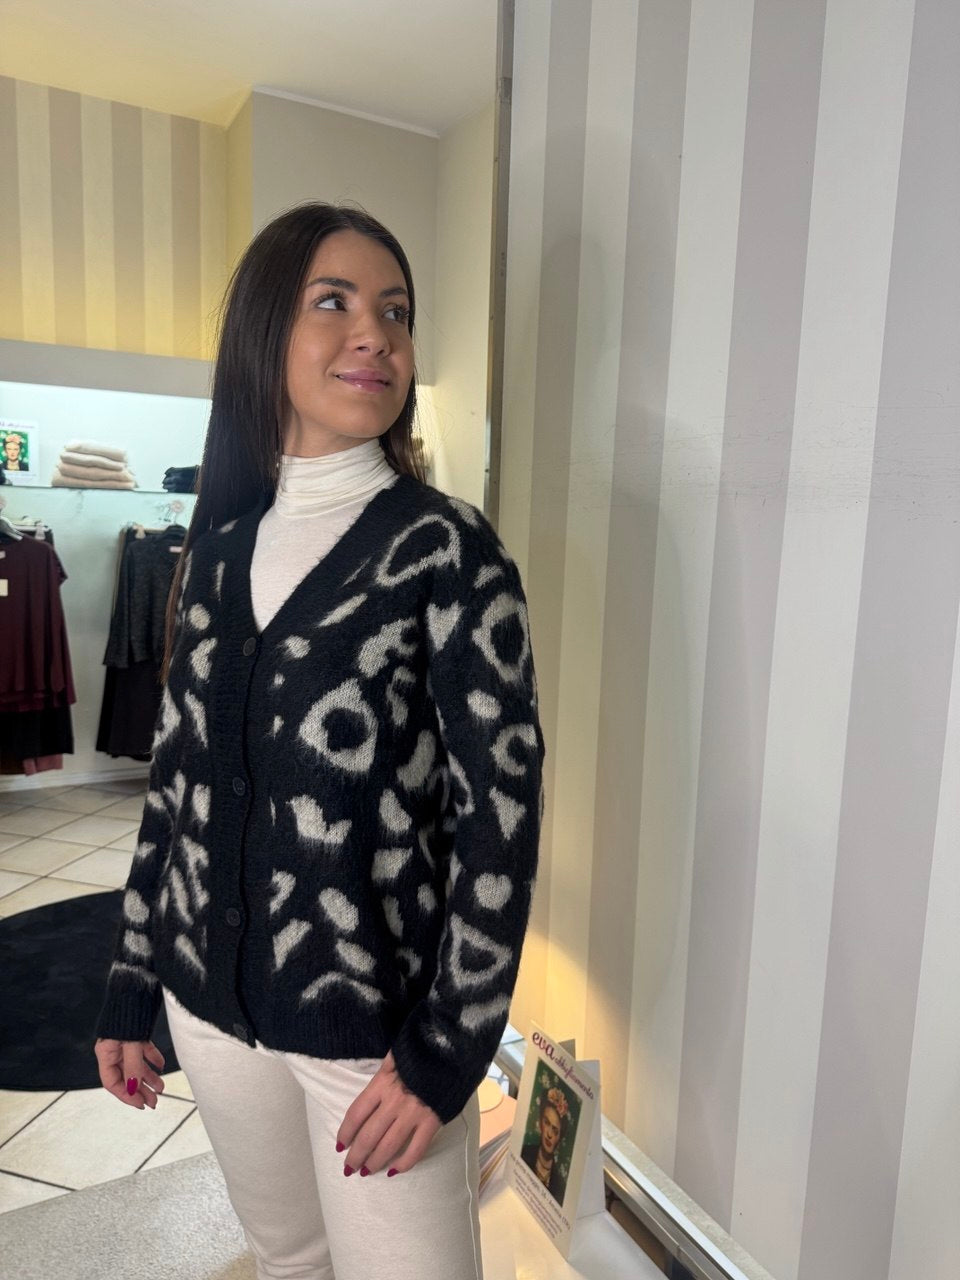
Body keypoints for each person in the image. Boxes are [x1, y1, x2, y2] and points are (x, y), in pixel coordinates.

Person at [93, 202, 545, 1280]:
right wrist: (133, 974)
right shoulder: (214, 552)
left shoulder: (447, 550)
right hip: (209, 1009)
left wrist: (451, 1047)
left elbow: (501, 821)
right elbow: (178, 790)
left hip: (372, 1035)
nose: (375, 335)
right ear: (266, 330)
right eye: (333, 302)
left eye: (397, 312)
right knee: (288, 1260)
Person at [520, 1085, 570, 1205]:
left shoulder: (560, 1186)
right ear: (540, 1122)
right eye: (547, 1123)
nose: (549, 1134)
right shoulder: (523, 1153)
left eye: (555, 1130)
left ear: (559, 1137)